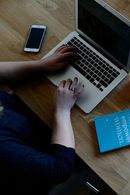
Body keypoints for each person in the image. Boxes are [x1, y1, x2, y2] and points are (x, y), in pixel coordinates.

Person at [0, 45, 84, 194]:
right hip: (36, 162)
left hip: (26, 118)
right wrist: (62, 111)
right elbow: (60, 168)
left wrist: (41, 65)